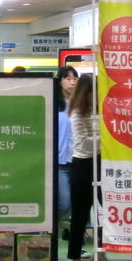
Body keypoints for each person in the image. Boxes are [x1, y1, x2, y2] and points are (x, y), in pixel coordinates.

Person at [65, 75, 115, 261]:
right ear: (87, 92)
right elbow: (83, 143)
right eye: (95, 91)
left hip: (102, 163)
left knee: (110, 209)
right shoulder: (77, 112)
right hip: (83, 165)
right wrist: (108, 138)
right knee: (81, 214)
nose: (99, 95)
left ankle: (101, 251)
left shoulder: (101, 110)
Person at [55, 65, 78, 225]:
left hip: (78, 160)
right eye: (68, 78)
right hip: (60, 162)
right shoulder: (54, 104)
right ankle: (50, 226)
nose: (72, 82)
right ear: (60, 81)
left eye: (75, 79)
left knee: (77, 202)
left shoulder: (81, 103)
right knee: (65, 202)